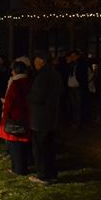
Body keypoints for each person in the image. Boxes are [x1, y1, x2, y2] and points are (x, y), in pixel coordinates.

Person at [28, 50, 62, 185]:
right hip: (51, 116)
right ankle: (51, 174)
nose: (34, 64)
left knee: (41, 148)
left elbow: (38, 96)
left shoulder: (43, 76)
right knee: (49, 147)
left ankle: (43, 175)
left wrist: (28, 96)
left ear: (41, 61)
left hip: (40, 118)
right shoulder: (55, 74)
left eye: (36, 61)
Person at [0, 61, 32, 175]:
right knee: (25, 144)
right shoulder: (29, 81)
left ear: (15, 71)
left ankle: (17, 169)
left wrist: (5, 113)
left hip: (15, 117)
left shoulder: (15, 83)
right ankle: (26, 165)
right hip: (26, 116)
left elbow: (10, 102)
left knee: (15, 145)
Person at [67, 50, 89, 129]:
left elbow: (83, 76)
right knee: (73, 106)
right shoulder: (70, 65)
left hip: (77, 88)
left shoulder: (81, 64)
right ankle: (73, 121)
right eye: (71, 56)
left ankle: (77, 123)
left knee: (78, 106)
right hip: (71, 87)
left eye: (74, 56)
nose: (73, 57)